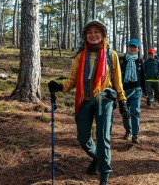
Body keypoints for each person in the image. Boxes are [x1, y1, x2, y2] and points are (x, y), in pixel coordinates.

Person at [48, 20, 130, 185]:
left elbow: (118, 81)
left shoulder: (110, 54)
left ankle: (104, 176)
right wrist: (59, 86)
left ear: (103, 35)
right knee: (83, 138)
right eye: (89, 32)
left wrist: (122, 101)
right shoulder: (80, 55)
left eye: (96, 31)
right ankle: (97, 157)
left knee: (103, 137)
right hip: (84, 100)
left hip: (104, 100)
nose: (93, 35)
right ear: (85, 36)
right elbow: (72, 80)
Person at [119, 39, 147, 144]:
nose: (132, 48)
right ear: (127, 48)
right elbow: (117, 76)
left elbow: (143, 77)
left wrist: (145, 92)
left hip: (136, 90)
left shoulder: (140, 62)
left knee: (135, 112)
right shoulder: (122, 60)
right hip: (123, 90)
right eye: (130, 46)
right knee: (125, 112)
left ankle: (135, 135)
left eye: (135, 47)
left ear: (138, 49)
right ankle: (128, 131)